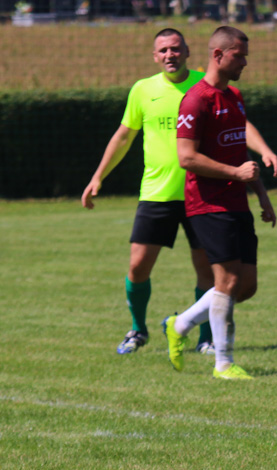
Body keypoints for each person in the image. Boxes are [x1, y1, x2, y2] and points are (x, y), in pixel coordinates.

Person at [83, 28, 214, 356]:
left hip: (201, 192)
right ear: (155, 57)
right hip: (156, 193)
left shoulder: (206, 85)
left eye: (175, 48)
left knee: (207, 268)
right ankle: (138, 330)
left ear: (187, 51)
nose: (170, 55)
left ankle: (207, 338)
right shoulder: (143, 90)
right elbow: (124, 136)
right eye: (163, 51)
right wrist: (99, 176)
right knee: (138, 266)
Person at [163, 26, 277, 380]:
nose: (244, 62)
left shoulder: (235, 97)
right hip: (207, 203)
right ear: (218, 55)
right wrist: (236, 173)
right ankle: (223, 364)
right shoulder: (195, 100)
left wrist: (261, 195)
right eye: (239, 55)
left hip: (236, 202)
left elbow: (239, 152)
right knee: (227, 281)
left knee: (246, 286)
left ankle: (179, 323)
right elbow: (186, 158)